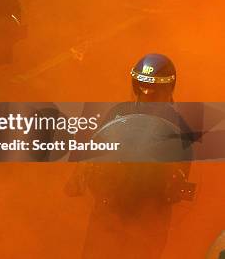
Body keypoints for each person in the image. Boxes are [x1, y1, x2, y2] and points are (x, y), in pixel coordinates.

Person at [68, 53, 196, 259]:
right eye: (141, 86)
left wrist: (174, 181)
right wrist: (80, 172)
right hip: (109, 202)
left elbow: (181, 169)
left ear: (167, 88)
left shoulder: (178, 125)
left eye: (153, 89)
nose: (145, 93)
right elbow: (95, 145)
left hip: (149, 210)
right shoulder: (118, 112)